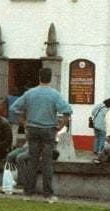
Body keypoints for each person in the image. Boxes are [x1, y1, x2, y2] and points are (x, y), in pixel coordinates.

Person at [11, 67, 72, 198]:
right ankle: (48, 194)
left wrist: (24, 123)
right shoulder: (55, 94)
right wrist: (59, 126)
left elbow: (15, 108)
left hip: (32, 129)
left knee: (32, 161)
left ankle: (28, 192)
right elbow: (67, 111)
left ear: (39, 77)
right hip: (48, 130)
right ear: (50, 78)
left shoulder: (30, 93)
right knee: (47, 162)